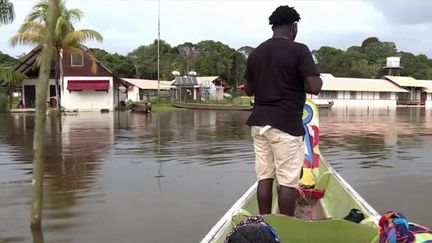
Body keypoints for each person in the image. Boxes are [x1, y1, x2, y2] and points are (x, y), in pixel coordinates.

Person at [244, 5, 322, 216]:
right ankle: (285, 229)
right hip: (285, 125)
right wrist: (315, 77)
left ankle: (264, 224)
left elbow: (249, 90)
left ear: (273, 26)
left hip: (259, 124)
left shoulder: (256, 53)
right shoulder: (299, 50)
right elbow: (313, 87)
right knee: (287, 181)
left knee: (265, 177)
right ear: (293, 27)